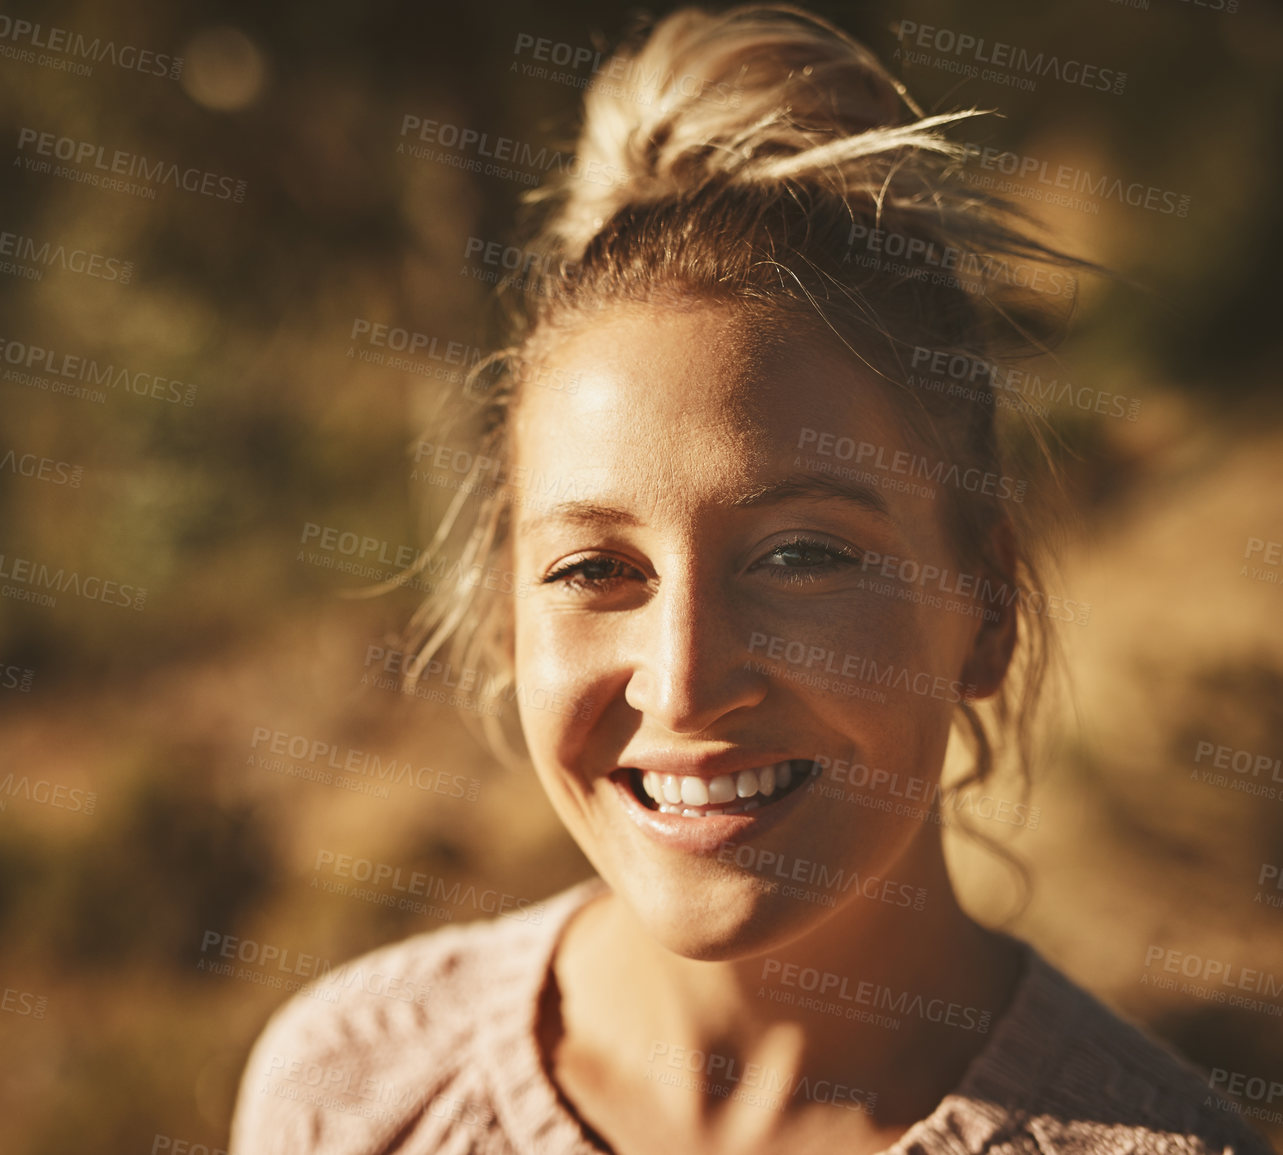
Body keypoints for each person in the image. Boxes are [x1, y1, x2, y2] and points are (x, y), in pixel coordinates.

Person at [232, 5, 1275, 1153]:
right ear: (505, 624)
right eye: (595, 568)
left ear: (986, 610)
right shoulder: (351, 1086)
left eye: (801, 555)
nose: (684, 685)